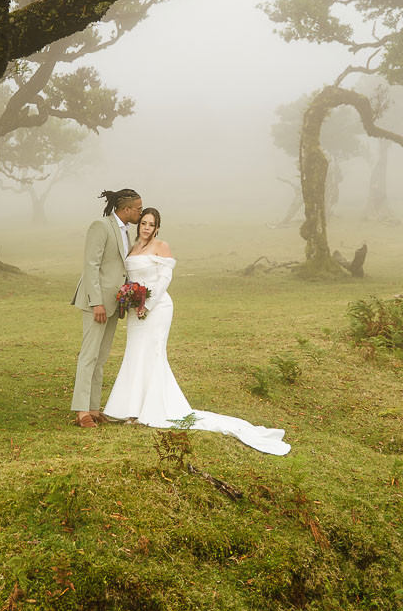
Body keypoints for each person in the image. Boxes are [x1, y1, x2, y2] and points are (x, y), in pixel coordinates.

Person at [103, 208, 291, 456]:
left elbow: (163, 279)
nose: (146, 228)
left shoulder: (162, 247)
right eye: (144, 223)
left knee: (152, 354)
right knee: (134, 354)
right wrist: (129, 300)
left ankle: (148, 410)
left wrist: (146, 304)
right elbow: (128, 277)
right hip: (135, 309)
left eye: (151, 224)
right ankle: (128, 407)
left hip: (156, 307)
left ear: (157, 227)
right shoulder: (133, 248)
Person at [69, 189, 143, 428]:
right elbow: (91, 266)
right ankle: (81, 412)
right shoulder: (100, 226)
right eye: (138, 209)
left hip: (114, 303)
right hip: (97, 303)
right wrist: (96, 302)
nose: (140, 213)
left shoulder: (125, 231)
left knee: (101, 358)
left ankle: (93, 408)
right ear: (127, 209)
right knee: (89, 355)